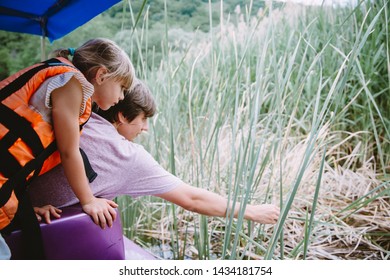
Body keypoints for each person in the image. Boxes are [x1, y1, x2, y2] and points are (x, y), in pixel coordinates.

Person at [29, 80, 280, 226]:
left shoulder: (77, 117)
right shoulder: (127, 157)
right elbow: (192, 199)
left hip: (11, 204)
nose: (146, 128)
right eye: (143, 119)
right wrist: (251, 211)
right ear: (121, 116)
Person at [0, 38, 135, 233]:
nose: (122, 97)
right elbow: (68, 151)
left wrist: (23, 210)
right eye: (122, 88)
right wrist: (88, 200)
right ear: (102, 75)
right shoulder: (71, 83)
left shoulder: (64, 77)